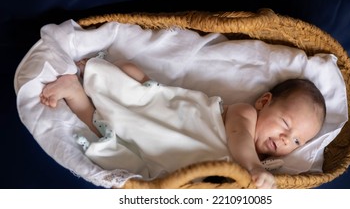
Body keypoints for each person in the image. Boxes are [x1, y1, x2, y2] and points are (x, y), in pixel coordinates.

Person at [40, 57, 326, 189]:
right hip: (171, 118)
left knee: (115, 146)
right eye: (286, 124)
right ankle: (95, 73)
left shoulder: (268, 164)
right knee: (133, 99)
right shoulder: (245, 115)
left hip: (166, 158)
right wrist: (251, 167)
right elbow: (238, 135)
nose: (287, 139)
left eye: (298, 141)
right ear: (264, 102)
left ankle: (75, 94)